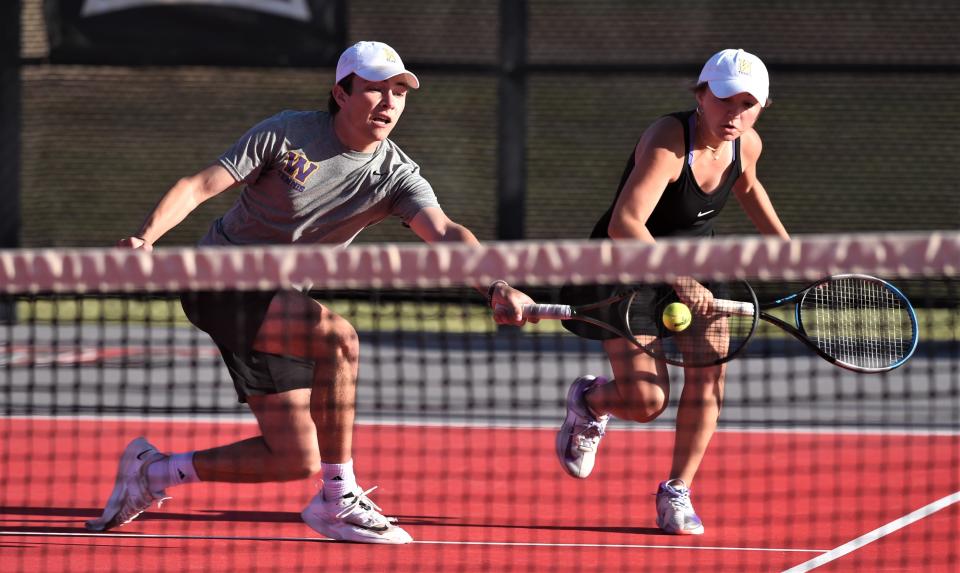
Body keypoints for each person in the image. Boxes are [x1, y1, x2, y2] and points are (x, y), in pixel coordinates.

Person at [86, 40, 535, 545]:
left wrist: (494, 284)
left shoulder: (395, 175)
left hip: (280, 298)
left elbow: (447, 233)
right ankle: (338, 497)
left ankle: (152, 473)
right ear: (341, 95)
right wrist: (147, 237)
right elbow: (200, 184)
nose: (389, 103)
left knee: (293, 456)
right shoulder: (287, 132)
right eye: (374, 90)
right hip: (219, 277)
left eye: (398, 92)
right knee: (339, 340)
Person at [554, 49, 790, 535]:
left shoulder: (747, 144)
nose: (735, 114)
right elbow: (625, 223)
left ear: (761, 107)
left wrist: (790, 252)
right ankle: (592, 402)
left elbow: (748, 188)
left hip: (698, 268)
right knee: (646, 402)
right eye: (725, 99)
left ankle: (676, 492)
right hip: (626, 268)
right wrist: (679, 281)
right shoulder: (668, 138)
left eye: (748, 104)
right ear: (701, 96)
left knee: (709, 379)